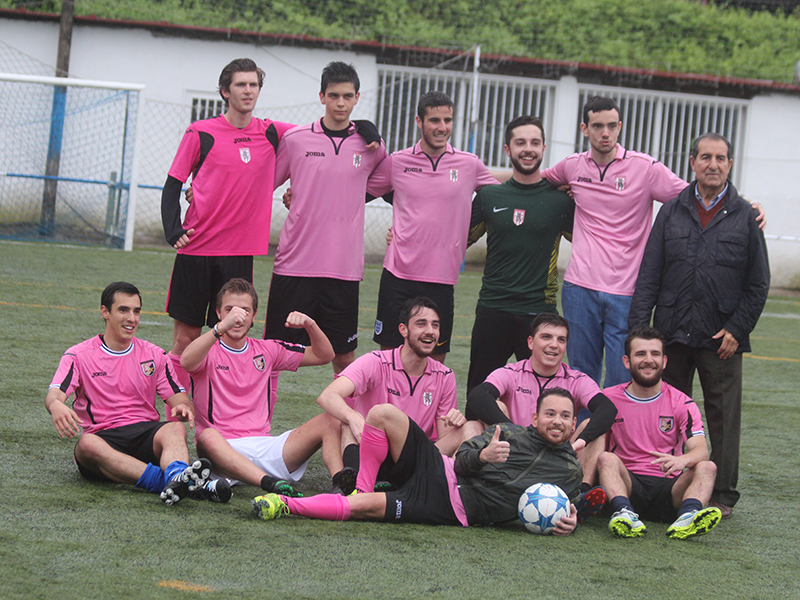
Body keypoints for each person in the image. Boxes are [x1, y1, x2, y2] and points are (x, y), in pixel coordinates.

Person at [540, 96, 765, 388]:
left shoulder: (645, 168)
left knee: (623, 378)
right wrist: (485, 180)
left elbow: (699, 194)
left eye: (611, 125)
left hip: (627, 293)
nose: (605, 133)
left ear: (620, 127)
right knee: (581, 378)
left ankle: (618, 422)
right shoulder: (572, 166)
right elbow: (530, 182)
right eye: (597, 126)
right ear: (585, 129)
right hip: (579, 289)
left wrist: (746, 206)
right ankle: (585, 421)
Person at [628, 133, 770, 519]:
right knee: (668, 417)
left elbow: (758, 283)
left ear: (730, 164)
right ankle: (666, 485)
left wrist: (737, 330)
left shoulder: (746, 217)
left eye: (720, 158)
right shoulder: (671, 211)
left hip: (721, 339)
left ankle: (721, 494)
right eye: (705, 157)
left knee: (723, 417)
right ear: (692, 162)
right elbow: (649, 276)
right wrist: (640, 333)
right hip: (671, 334)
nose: (713, 165)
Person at [252, 389, 582, 533]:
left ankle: (285, 505)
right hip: (440, 468)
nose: (557, 421)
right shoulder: (508, 432)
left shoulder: (570, 472)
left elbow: (570, 506)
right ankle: (361, 486)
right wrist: (483, 456)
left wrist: (571, 521)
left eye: (565, 416)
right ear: (535, 417)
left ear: (573, 423)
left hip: (452, 507)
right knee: (381, 413)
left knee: (365, 509)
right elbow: (461, 460)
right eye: (550, 413)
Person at [161, 58, 294, 389]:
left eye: (254, 85)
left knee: (230, 338)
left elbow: (317, 136)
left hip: (239, 254)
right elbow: (173, 183)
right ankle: (176, 407)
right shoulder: (200, 132)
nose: (248, 91)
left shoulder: (272, 132)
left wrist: (363, 128)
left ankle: (216, 407)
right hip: (197, 251)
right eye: (240, 84)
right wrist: (172, 229)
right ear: (225, 91)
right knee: (186, 339)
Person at [45, 281, 216, 506]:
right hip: (105, 438)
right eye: (123, 310)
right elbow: (55, 394)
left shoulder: (154, 355)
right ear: (105, 312)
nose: (132, 318)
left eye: (136, 311)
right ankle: (170, 482)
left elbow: (180, 399)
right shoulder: (78, 355)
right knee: (86, 445)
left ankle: (175, 477)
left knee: (175, 428)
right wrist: (56, 405)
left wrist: (184, 407)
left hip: (145, 434)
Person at [264, 61, 387, 375]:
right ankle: (260, 410)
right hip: (295, 265)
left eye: (347, 96)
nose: (340, 103)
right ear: (321, 97)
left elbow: (384, 186)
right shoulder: (296, 139)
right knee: (274, 354)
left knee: (344, 358)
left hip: (342, 270)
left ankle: (341, 411)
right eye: (333, 95)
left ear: (357, 97)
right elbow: (261, 187)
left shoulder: (372, 146)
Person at [181, 278, 347, 497]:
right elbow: (186, 361)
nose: (237, 317)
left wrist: (310, 325)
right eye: (230, 310)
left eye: (244, 311)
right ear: (219, 313)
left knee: (330, 420)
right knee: (206, 437)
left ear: (254, 315)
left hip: (266, 447)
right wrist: (220, 328)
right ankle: (268, 483)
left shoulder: (267, 350)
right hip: (223, 451)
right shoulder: (207, 349)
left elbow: (324, 355)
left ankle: (341, 486)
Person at [367, 90, 498, 363]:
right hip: (398, 275)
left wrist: (552, 183)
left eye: (447, 120)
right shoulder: (398, 161)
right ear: (419, 121)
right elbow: (356, 188)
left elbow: (506, 194)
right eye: (434, 120)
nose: (442, 127)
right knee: (388, 358)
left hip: (441, 278)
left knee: (435, 360)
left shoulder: (469, 164)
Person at [316, 297, 478, 493]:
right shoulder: (376, 362)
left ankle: (452, 490)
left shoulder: (445, 376)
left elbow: (445, 438)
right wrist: (353, 417)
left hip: (415, 460)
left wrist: (455, 422)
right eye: (421, 324)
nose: (430, 331)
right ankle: (357, 485)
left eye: (435, 325)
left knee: (473, 427)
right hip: (373, 451)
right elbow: (328, 396)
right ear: (404, 330)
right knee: (347, 420)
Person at [466, 312, 616, 520]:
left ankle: (579, 496)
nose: (554, 345)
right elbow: (478, 397)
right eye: (546, 337)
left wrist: (580, 441)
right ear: (530, 342)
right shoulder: (512, 373)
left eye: (561, 340)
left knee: (595, 428)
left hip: (560, 459)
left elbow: (607, 409)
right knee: (490, 411)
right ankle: (478, 483)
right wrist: (517, 435)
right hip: (516, 458)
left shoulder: (576, 379)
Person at [466, 115, 573, 394]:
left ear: (544, 148)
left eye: (535, 143)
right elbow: (455, 240)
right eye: (520, 142)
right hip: (493, 309)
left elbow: (594, 240)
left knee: (542, 398)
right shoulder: (489, 197)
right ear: (507, 149)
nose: (528, 149)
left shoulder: (561, 201)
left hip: (540, 313)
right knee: (480, 394)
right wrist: (405, 235)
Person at [597, 327, 723, 540]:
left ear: (664, 361)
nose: (648, 360)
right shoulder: (608, 398)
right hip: (628, 483)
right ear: (627, 361)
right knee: (606, 459)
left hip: (670, 486)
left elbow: (701, 450)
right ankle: (624, 513)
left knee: (708, 467)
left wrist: (682, 460)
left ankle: (687, 517)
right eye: (640, 354)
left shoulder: (682, 403)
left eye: (655, 354)